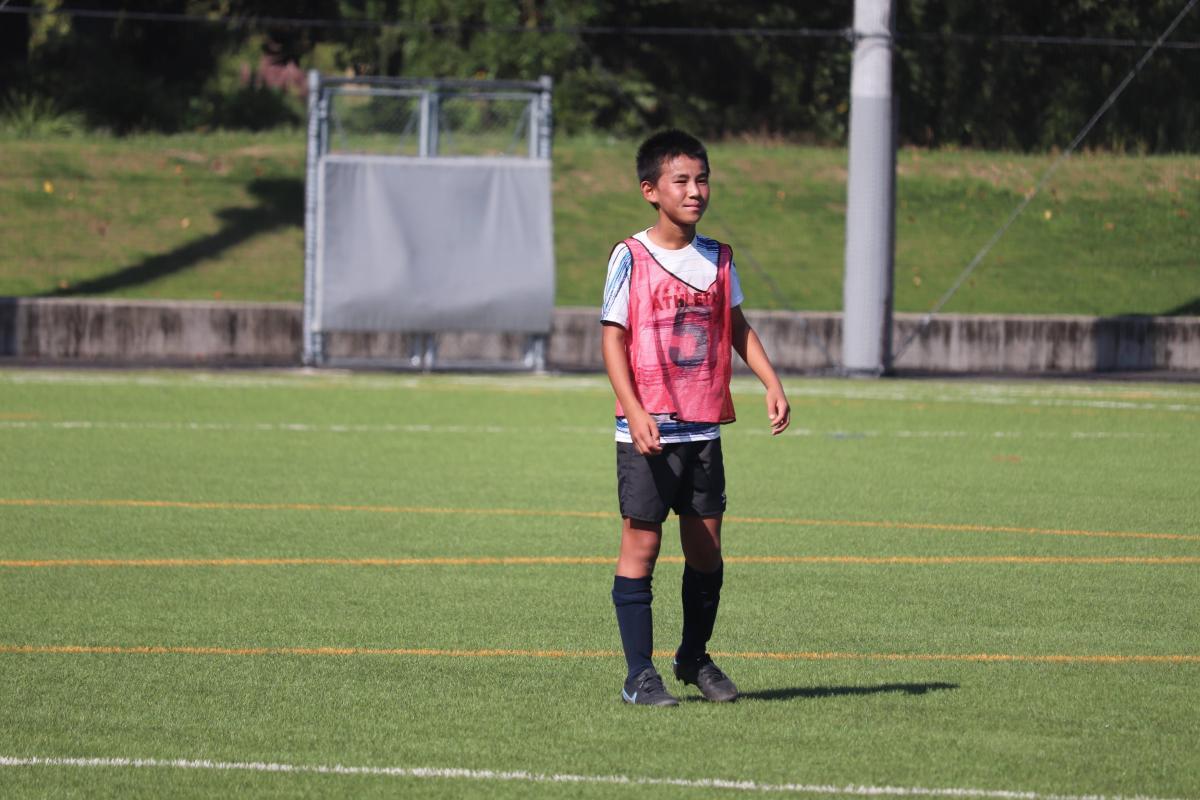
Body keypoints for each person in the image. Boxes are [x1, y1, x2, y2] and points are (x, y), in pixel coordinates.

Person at [600, 129, 791, 706]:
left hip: (702, 427)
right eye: (681, 180)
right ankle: (639, 675)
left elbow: (737, 327)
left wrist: (771, 381)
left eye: (702, 179)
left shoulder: (718, 257)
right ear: (650, 191)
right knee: (642, 546)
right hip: (649, 430)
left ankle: (693, 657)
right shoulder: (630, 256)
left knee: (705, 549)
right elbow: (612, 340)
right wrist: (634, 410)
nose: (694, 191)